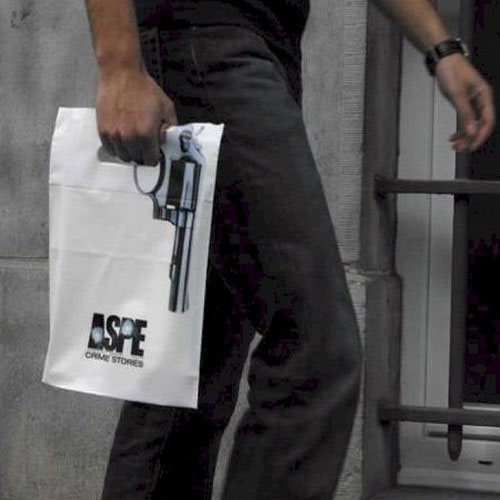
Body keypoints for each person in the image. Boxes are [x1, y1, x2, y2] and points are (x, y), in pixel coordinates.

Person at [83, 1, 495, 499]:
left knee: (188, 371)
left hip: (254, 48)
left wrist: (442, 49)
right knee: (316, 350)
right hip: (205, 42)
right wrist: (119, 66)